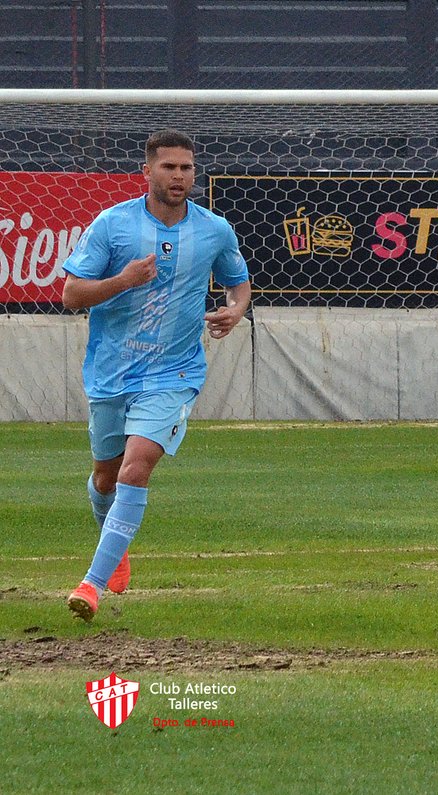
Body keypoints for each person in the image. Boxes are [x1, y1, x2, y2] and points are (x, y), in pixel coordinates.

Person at [63, 129, 252, 622]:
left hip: (174, 371)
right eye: (169, 167)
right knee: (106, 478)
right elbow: (71, 295)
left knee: (136, 467)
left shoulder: (214, 230)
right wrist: (122, 281)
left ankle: (92, 584)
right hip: (111, 373)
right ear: (146, 171)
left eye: (187, 168)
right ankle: (115, 548)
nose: (179, 176)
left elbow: (239, 284)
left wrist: (235, 311)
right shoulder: (112, 225)